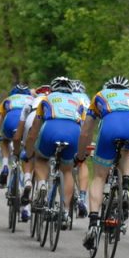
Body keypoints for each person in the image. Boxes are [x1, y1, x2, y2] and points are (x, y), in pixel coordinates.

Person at [77, 76, 129, 249]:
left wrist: (81, 154)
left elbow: (86, 132)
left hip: (110, 125)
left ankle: (93, 224)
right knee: (127, 151)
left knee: (99, 177)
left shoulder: (100, 95)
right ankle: (127, 186)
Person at [25, 77, 86, 230]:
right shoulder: (78, 102)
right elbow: (84, 129)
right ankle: (65, 211)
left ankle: (43, 184)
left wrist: (29, 150)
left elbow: (34, 129)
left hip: (51, 129)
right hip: (74, 132)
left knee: (40, 159)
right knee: (67, 171)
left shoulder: (46, 99)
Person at [12, 85, 50, 222]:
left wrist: (21, 150)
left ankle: (27, 180)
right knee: (44, 158)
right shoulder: (53, 100)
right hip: (49, 124)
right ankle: (43, 185)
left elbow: (18, 135)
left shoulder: (30, 102)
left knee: (29, 154)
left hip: (31, 120)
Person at [0, 84, 33, 188]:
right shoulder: (33, 99)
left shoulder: (8, 100)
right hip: (27, 123)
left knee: (5, 141)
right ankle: (27, 178)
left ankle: (5, 166)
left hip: (10, 121)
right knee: (28, 149)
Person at [72, 80, 91, 218]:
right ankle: (83, 197)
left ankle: (66, 206)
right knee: (82, 162)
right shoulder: (87, 99)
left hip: (66, 130)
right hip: (83, 132)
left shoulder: (66, 96)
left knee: (64, 167)